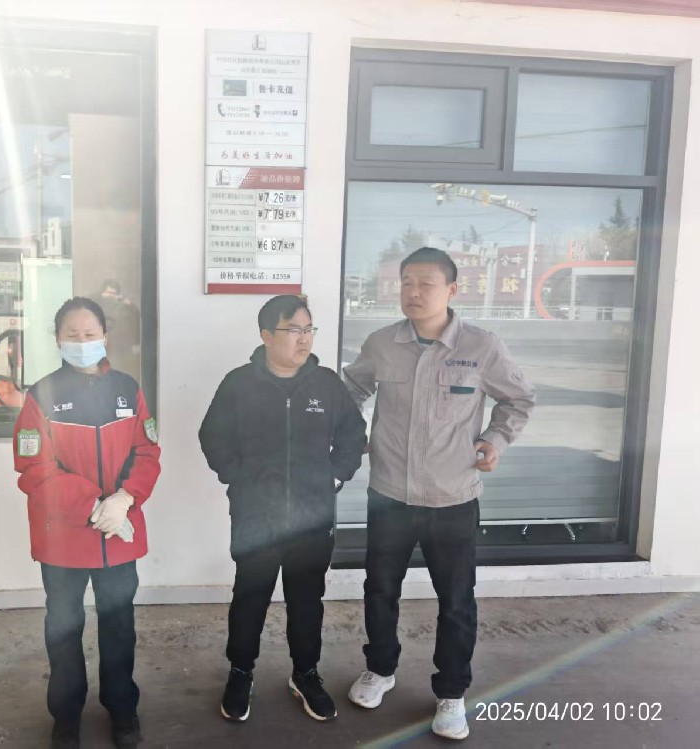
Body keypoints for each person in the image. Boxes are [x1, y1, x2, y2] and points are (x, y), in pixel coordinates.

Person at [342, 247, 536, 740]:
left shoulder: (482, 346)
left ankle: (451, 693)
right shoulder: (382, 343)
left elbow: (518, 399)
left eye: (426, 283)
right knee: (380, 590)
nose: (414, 292)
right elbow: (352, 390)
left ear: (451, 289)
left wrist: (494, 440)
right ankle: (380, 669)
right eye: (407, 282)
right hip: (390, 494)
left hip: (453, 499)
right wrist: (350, 431)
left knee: (455, 600)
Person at [198, 295, 367, 724]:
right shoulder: (239, 384)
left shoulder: (326, 385)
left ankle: (305, 673)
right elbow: (212, 436)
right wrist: (238, 478)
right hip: (256, 516)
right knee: (249, 597)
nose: (304, 339)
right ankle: (240, 672)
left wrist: (335, 477)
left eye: (309, 330)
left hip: (311, 518)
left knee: (307, 600)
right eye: (294, 330)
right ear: (266, 335)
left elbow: (354, 433)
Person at [12, 297, 161, 749]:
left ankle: (122, 709)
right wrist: (96, 506)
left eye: (90, 333)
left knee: (119, 626)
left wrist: (125, 498)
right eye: (72, 335)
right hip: (64, 538)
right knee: (63, 628)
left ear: (105, 336)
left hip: (119, 531)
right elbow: (33, 468)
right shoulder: (41, 395)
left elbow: (147, 451)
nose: (82, 342)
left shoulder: (127, 389)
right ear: (58, 340)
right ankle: (66, 716)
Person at [91, 279, 141, 378]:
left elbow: (135, 322)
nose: (110, 296)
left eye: (113, 294)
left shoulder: (125, 306)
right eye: (108, 293)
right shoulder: (94, 304)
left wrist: (130, 306)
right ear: (102, 293)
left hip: (118, 347)